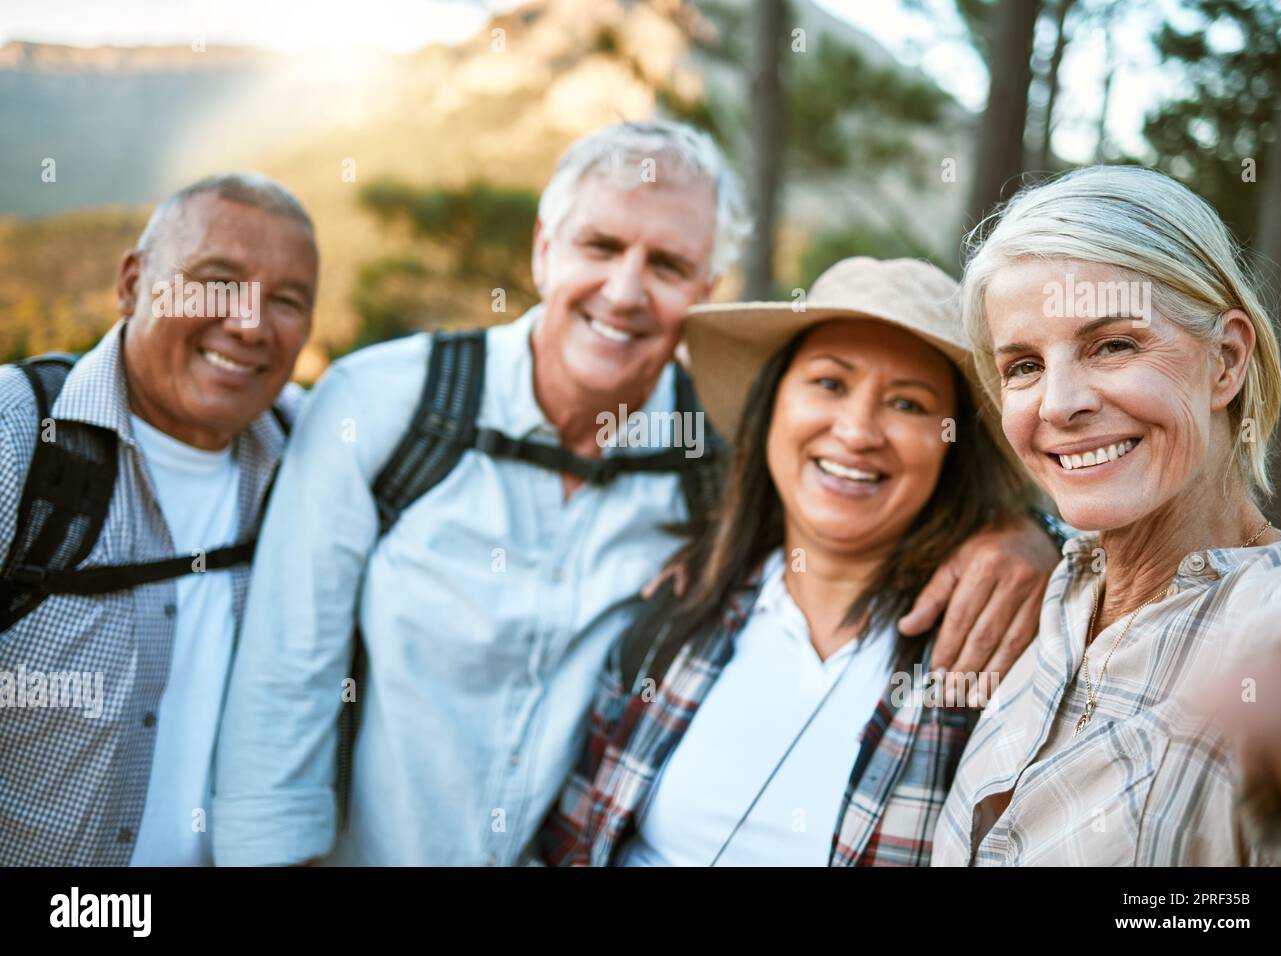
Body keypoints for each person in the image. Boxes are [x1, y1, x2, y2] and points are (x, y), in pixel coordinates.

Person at [211, 120, 1060, 867]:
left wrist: (1024, 531)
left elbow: (876, 476)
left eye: (667, 263)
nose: (624, 289)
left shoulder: (719, 449)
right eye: (600, 247)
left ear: (706, 290)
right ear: (544, 247)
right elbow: (285, 686)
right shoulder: (386, 406)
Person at [537, 256, 1033, 867]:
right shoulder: (674, 614)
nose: (855, 432)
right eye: (829, 383)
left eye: (908, 405)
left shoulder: (992, 649)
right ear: (772, 406)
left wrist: (1046, 534)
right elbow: (573, 841)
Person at [934, 164, 1281, 865]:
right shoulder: (1054, 595)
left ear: (1225, 360)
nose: (1058, 403)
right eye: (1023, 365)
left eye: (1113, 345)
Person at [0, 172, 318, 865]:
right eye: (217, 280)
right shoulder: (17, 437)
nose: (249, 323)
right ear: (132, 282)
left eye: (288, 300)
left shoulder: (314, 456)